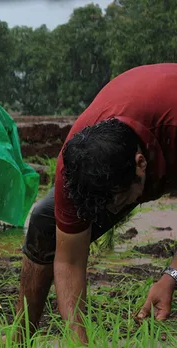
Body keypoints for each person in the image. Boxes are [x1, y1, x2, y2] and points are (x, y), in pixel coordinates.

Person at [13, 63, 177, 345]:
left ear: (141, 165)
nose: (114, 215)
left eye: (119, 201)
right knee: (45, 222)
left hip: (169, 130)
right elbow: (69, 261)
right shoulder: (75, 164)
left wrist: (170, 276)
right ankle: (18, 339)